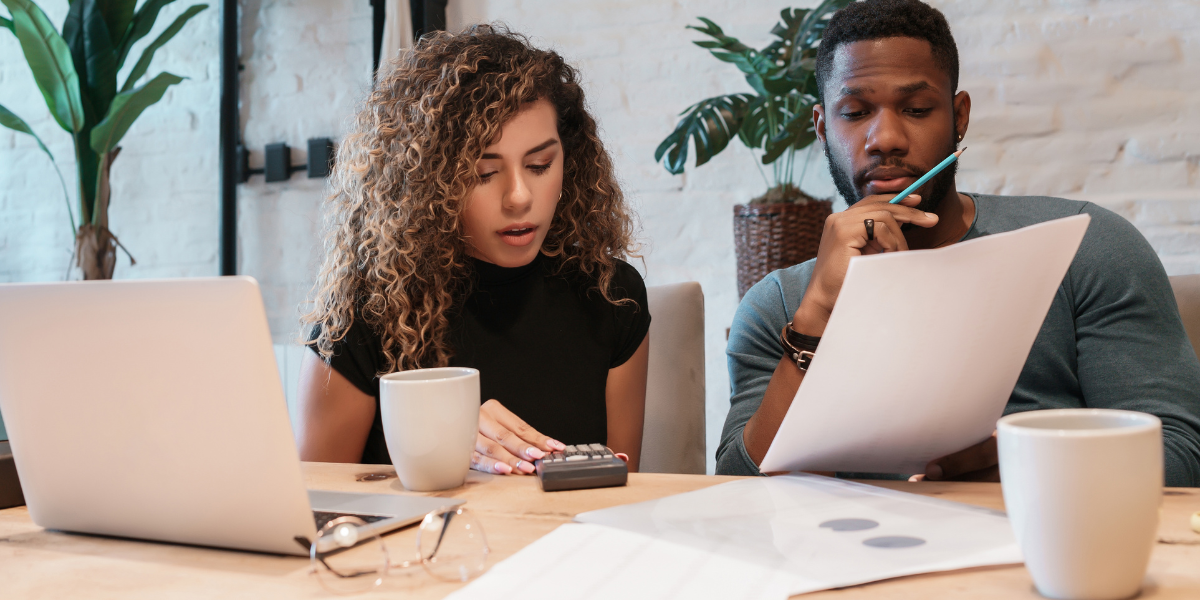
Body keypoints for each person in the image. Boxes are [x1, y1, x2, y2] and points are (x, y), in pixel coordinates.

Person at [717, 0, 1200, 486]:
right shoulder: (776, 305)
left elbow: (1180, 454)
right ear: (823, 129)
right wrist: (818, 311)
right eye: (856, 112)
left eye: (916, 109)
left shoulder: (1087, 246)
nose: (884, 138)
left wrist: (1027, 470)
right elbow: (739, 490)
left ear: (959, 116)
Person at [297, 26, 650, 475]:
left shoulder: (610, 295)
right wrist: (435, 442)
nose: (519, 196)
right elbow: (316, 508)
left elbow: (624, 491)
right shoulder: (365, 313)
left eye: (540, 165)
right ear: (429, 183)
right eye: (484, 173)